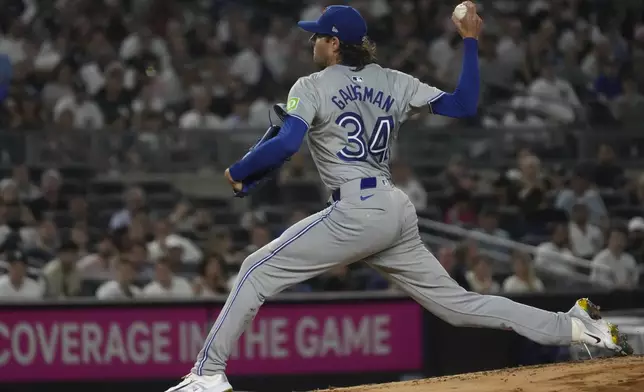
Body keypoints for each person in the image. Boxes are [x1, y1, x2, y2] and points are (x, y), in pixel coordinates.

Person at [167, 4, 631, 392]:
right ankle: (576, 325)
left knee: (254, 268)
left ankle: (207, 375)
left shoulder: (310, 86)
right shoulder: (392, 80)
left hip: (355, 210)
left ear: (332, 44)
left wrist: (238, 170)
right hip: (392, 207)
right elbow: (464, 104)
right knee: (459, 306)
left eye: (316, 38)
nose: (312, 45)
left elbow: (287, 144)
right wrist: (469, 41)